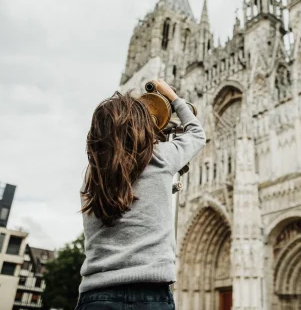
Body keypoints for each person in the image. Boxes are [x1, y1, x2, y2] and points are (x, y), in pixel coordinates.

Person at [76, 79, 206, 309]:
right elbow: (197, 134)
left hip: (96, 295)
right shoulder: (160, 158)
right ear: (141, 127)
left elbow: (128, 180)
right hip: (150, 293)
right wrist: (173, 99)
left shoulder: (91, 179)